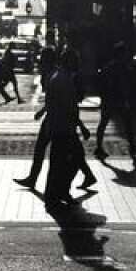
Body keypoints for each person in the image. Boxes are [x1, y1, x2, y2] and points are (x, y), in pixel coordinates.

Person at [41, 48, 92, 208]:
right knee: (73, 158)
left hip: (59, 126)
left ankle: (54, 193)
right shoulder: (64, 80)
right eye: (75, 60)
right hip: (64, 128)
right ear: (69, 61)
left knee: (59, 161)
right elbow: (68, 107)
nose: (77, 63)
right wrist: (82, 127)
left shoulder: (59, 77)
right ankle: (59, 191)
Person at [94, 42, 136, 159]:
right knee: (123, 122)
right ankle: (101, 148)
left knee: (114, 122)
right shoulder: (119, 67)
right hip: (116, 99)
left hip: (112, 99)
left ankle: (99, 147)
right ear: (120, 54)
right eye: (124, 53)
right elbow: (122, 83)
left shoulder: (111, 67)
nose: (126, 56)